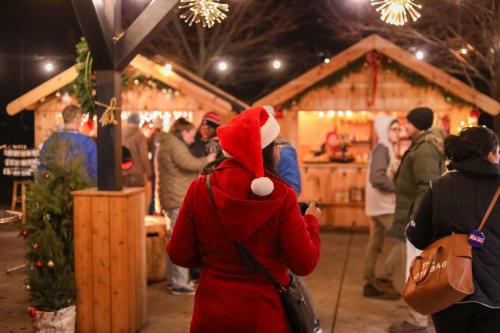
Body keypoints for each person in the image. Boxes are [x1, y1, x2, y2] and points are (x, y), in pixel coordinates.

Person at [167, 107, 321, 332]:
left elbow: (179, 252)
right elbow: (304, 262)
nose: (280, 151)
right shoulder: (282, 195)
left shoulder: (200, 189)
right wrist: (310, 222)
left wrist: (218, 263)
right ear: (266, 151)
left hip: (211, 315)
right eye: (277, 144)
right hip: (265, 317)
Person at [407, 126, 500, 333]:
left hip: (448, 288)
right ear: (491, 155)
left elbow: (417, 237)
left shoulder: (439, 186)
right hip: (496, 293)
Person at [389, 107, 446, 333]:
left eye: (409, 122)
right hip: (414, 215)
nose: (405, 125)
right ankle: (425, 314)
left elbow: (426, 185)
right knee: (422, 268)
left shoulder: (424, 149)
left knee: (415, 270)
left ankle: (417, 320)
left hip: (416, 220)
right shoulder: (425, 144)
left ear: (418, 124)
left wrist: (416, 220)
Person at [157, 118, 216, 295]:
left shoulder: (169, 143)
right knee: (179, 240)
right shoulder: (176, 146)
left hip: (173, 196)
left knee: (174, 239)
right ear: (183, 132)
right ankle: (179, 284)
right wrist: (208, 159)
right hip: (177, 197)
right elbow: (188, 163)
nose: (192, 139)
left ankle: (174, 280)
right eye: (191, 135)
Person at [363, 116, 401, 299]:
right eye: (394, 129)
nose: (398, 133)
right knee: (405, 239)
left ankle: (369, 282)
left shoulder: (386, 148)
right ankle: (385, 277)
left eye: (398, 129)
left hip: (377, 204)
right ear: (384, 131)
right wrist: (398, 189)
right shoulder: (382, 149)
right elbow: (377, 179)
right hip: (383, 205)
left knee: (375, 243)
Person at [40, 105, 97, 180]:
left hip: (56, 188)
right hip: (83, 188)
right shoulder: (87, 142)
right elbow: (95, 169)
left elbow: (43, 168)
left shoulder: (50, 141)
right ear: (78, 119)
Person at [122, 113, 151, 187]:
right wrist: (149, 173)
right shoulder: (140, 135)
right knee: (138, 197)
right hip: (137, 174)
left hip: (123, 173)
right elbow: (144, 156)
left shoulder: (120, 133)